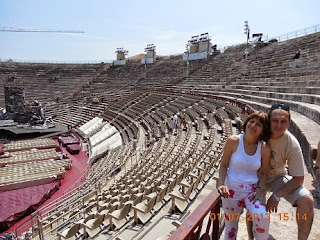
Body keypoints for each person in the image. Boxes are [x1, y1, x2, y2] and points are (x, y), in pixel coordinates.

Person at [247, 103, 314, 240]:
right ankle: (251, 237)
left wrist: (277, 196)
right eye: (275, 121)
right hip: (254, 176)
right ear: (268, 119)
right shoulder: (258, 132)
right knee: (256, 205)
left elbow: (298, 178)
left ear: (289, 122)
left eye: (283, 121)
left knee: (306, 199)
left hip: (276, 177)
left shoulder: (291, 143)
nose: (278, 125)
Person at [218, 112, 271, 240]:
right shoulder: (233, 141)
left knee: (262, 217)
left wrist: (259, 190)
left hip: (251, 192)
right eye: (251, 121)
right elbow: (224, 165)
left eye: (258, 124)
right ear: (246, 122)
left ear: (263, 130)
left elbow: (264, 173)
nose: (253, 125)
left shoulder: (264, 148)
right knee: (231, 228)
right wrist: (221, 184)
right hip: (231, 191)